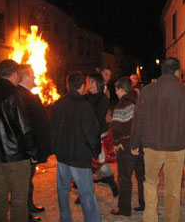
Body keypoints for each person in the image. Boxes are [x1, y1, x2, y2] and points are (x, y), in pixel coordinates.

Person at [131, 57, 185, 222]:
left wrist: (135, 143)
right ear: (178, 72)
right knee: (173, 188)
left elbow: (138, 118)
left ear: (162, 71)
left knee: (150, 184)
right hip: (176, 146)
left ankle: (150, 218)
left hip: (151, 145)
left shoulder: (147, 90)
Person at [0, 59, 38, 222]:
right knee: (19, 199)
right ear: (15, 73)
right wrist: (33, 152)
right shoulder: (15, 94)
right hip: (15, 157)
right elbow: (24, 127)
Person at [51, 71, 101, 222]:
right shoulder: (84, 106)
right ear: (82, 86)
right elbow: (92, 132)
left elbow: (52, 128)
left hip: (63, 156)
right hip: (79, 156)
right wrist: (95, 151)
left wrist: (56, 149)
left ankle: (65, 219)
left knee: (62, 190)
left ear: (68, 85)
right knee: (86, 192)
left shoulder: (58, 104)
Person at [17, 65, 51, 222]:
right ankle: (25, 215)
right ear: (24, 77)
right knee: (23, 183)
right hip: (25, 151)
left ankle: (29, 206)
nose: (35, 79)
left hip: (28, 150)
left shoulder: (26, 94)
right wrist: (32, 151)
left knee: (28, 181)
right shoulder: (21, 96)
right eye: (33, 76)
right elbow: (26, 127)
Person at [110, 77, 145, 216]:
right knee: (142, 177)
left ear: (121, 89)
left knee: (124, 178)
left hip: (126, 146)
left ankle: (124, 209)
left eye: (116, 90)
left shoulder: (121, 105)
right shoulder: (139, 100)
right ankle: (144, 203)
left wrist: (116, 142)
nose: (116, 93)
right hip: (140, 144)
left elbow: (116, 127)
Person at [85, 73, 118, 198]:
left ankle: (112, 182)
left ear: (98, 83)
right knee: (87, 163)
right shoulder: (87, 97)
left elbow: (98, 119)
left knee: (100, 163)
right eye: (89, 82)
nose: (90, 85)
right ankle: (85, 191)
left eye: (93, 82)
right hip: (87, 135)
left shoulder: (103, 99)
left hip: (98, 135)